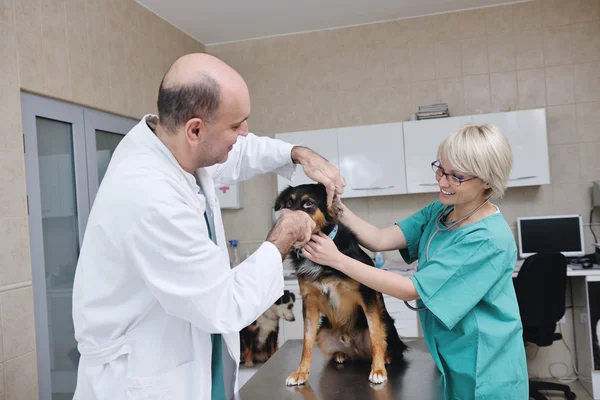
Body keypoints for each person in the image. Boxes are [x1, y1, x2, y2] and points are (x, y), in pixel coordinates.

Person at [71, 53, 345, 400]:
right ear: (196, 129)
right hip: (145, 379)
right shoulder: (148, 196)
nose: (244, 133)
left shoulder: (175, 147)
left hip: (193, 356)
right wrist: (283, 235)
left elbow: (244, 151)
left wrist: (298, 153)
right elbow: (225, 305)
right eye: (236, 125)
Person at [302, 124, 529, 399]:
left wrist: (337, 260)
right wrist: (332, 201)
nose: (442, 182)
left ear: (488, 181)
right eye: (440, 169)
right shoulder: (443, 211)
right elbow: (380, 239)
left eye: (456, 176)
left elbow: (411, 289)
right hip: (450, 353)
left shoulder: (488, 238)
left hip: (486, 366)